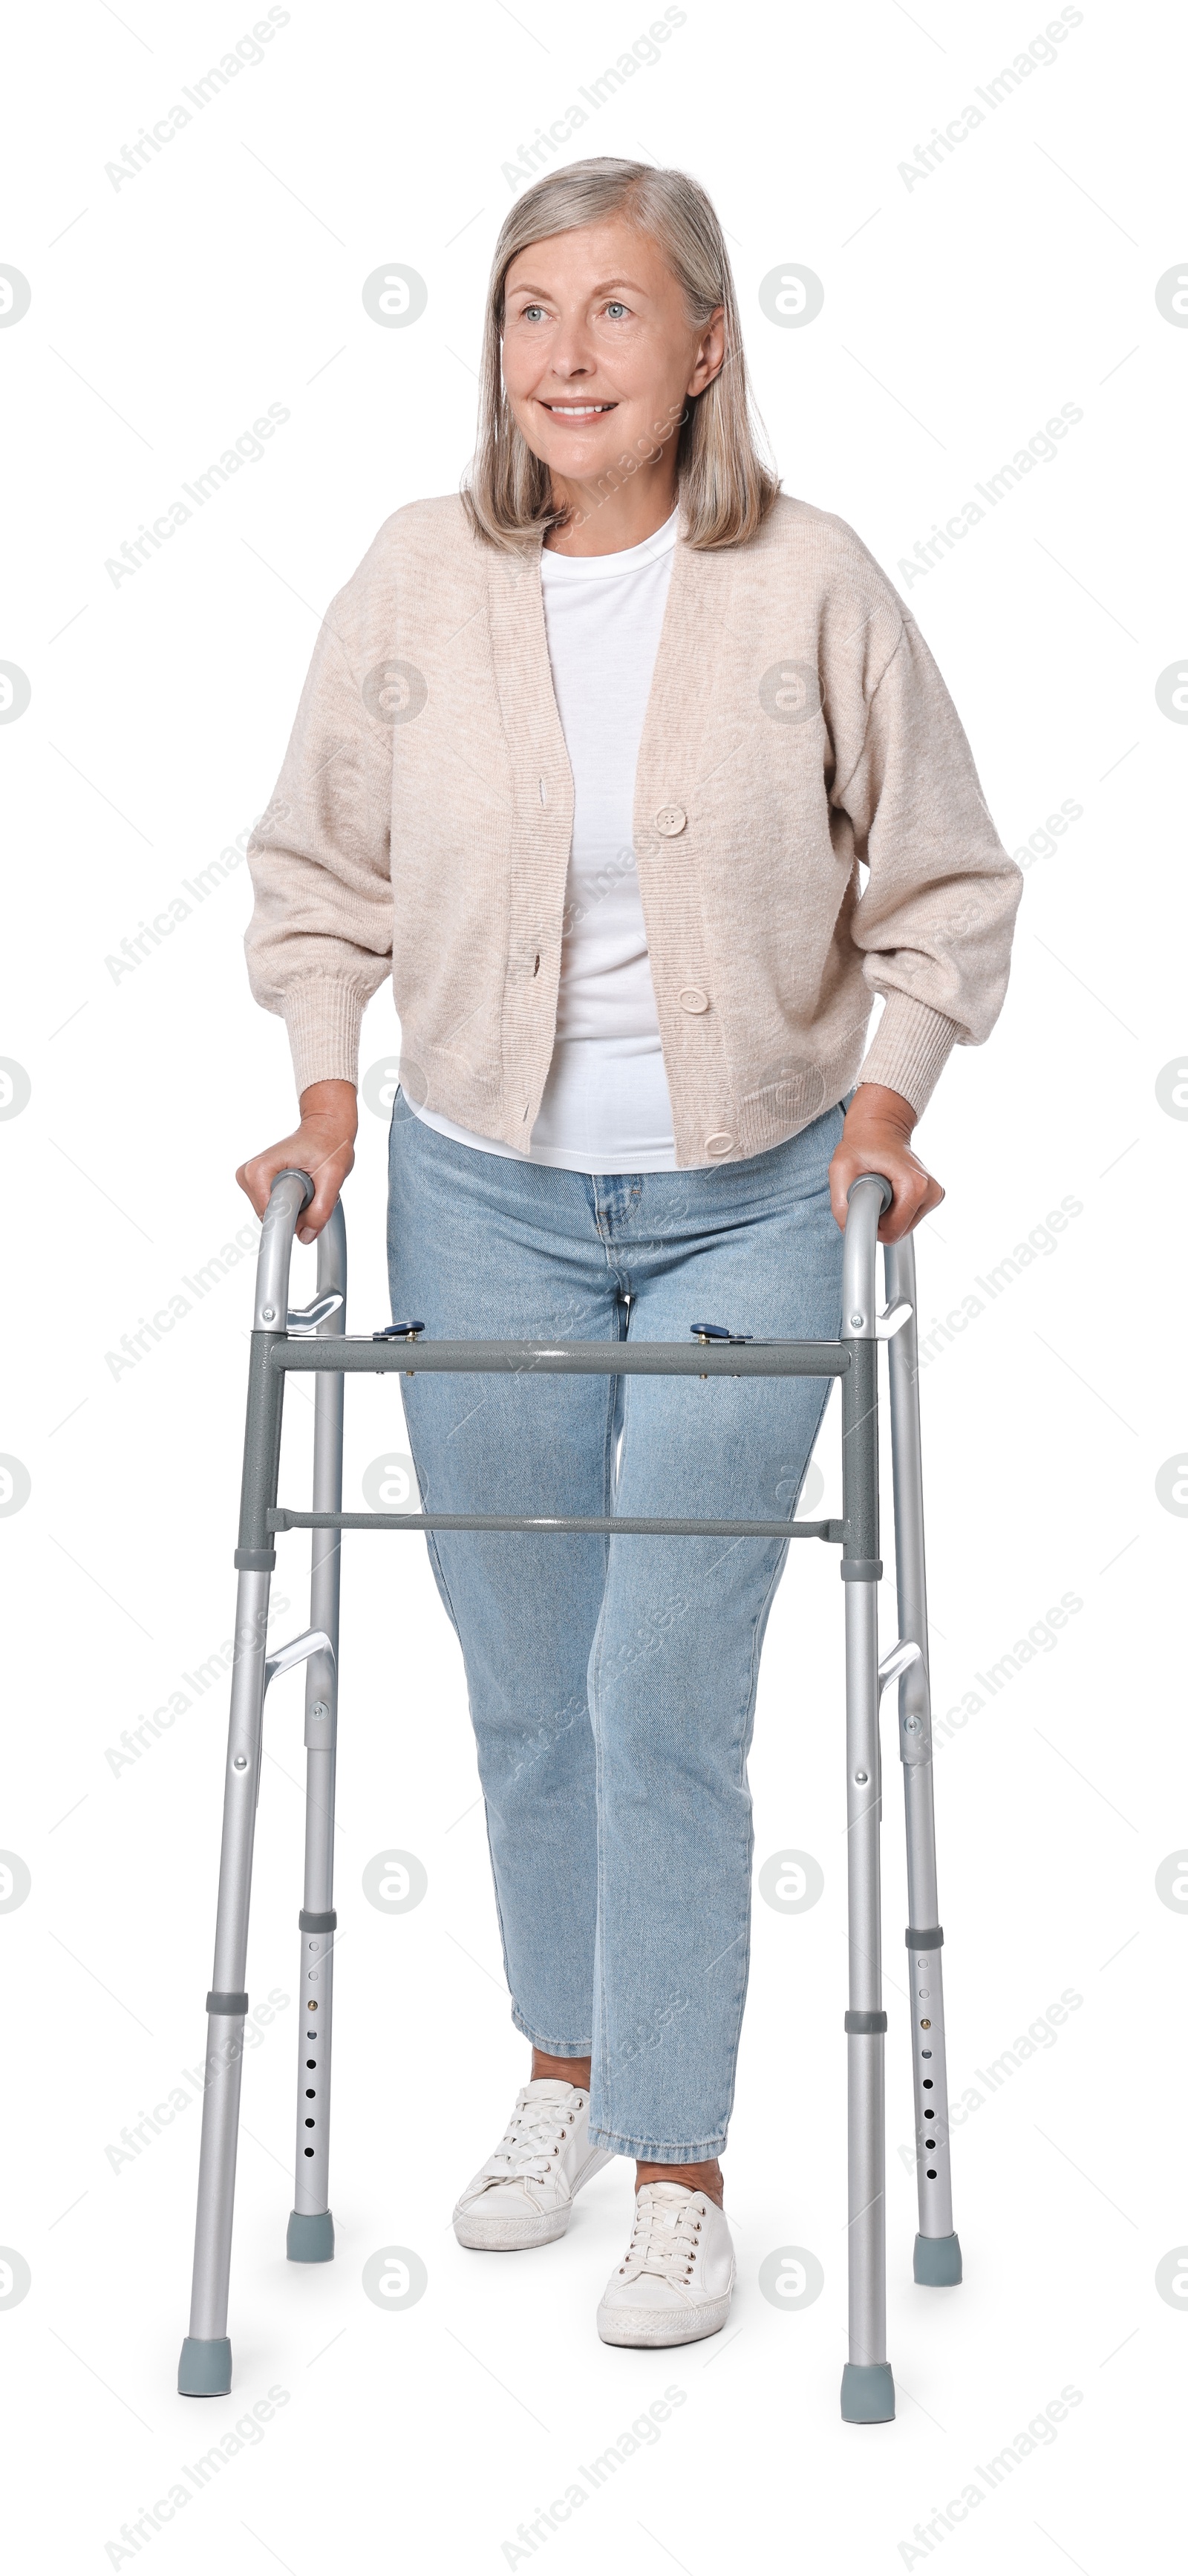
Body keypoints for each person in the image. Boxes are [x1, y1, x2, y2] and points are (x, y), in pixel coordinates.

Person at [238, 157, 1022, 2350]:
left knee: (656, 1682)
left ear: (702, 351)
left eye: (608, 314)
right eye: (524, 314)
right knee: (520, 1684)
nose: (561, 358)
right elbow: (315, 872)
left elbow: (949, 885)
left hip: (756, 1198)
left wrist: (890, 1106)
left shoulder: (811, 586)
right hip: (472, 1186)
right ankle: (562, 2072)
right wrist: (320, 1089)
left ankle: (681, 2155)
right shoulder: (415, 581)